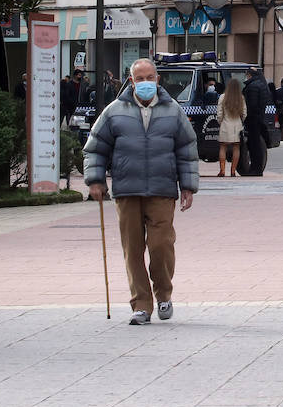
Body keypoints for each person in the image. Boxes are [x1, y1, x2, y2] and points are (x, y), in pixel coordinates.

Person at [84, 58, 198, 326]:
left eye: (149, 77)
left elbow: (187, 149)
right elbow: (95, 147)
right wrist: (95, 180)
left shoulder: (173, 111)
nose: (145, 82)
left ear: (157, 80)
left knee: (161, 244)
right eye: (139, 78)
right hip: (127, 190)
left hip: (162, 189)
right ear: (131, 81)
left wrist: (188, 186)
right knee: (132, 249)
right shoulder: (114, 111)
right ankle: (141, 304)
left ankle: (164, 293)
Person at [242, 66, 274, 176]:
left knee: (254, 145)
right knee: (257, 145)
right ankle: (257, 168)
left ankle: (256, 169)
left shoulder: (252, 87)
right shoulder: (261, 84)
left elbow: (252, 104)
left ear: (249, 75)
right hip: (259, 118)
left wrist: (247, 116)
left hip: (253, 119)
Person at [214, 77, 245, 177]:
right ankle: (233, 171)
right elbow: (244, 113)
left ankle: (222, 170)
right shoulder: (241, 97)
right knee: (236, 148)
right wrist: (241, 121)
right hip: (237, 125)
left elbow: (219, 113)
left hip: (225, 125)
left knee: (223, 147)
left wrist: (221, 122)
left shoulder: (223, 97)